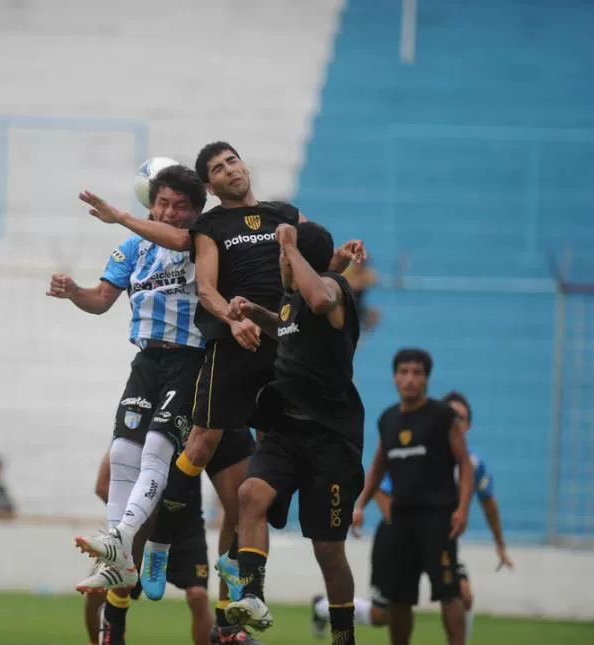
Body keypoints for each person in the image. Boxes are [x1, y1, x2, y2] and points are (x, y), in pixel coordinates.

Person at [80, 143, 362, 631]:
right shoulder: (204, 231)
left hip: (280, 345)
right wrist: (231, 317)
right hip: (223, 349)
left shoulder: (282, 215)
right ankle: (144, 559)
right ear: (207, 188)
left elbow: (311, 255)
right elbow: (199, 282)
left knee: (247, 496)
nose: (230, 169)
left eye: (232, 160)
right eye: (217, 168)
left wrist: (331, 260)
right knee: (186, 451)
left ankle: (236, 612)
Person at [48, 165, 208, 593]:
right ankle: (119, 557)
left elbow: (180, 239)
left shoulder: (200, 241)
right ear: (151, 203)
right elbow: (100, 300)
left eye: (180, 206)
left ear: (195, 211)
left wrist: (119, 215)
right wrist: (73, 291)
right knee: (123, 451)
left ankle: (123, 537)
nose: (170, 213)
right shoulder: (132, 249)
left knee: (157, 446)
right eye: (163, 203)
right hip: (147, 361)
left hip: (189, 360)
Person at [217, 223, 366, 645]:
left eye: (283, 258)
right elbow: (286, 330)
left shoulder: (332, 290)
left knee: (328, 551)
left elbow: (320, 297)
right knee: (251, 495)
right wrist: (254, 313)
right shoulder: (291, 300)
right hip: (284, 430)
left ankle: (343, 637)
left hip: (330, 440)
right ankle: (252, 595)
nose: (279, 264)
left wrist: (289, 244)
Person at [311, 391, 514, 644]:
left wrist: (500, 545)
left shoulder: (471, 463)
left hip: (438, 536)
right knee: (382, 614)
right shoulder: (411, 451)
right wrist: (397, 523)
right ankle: (321, 607)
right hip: (397, 537)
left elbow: (489, 503)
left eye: (460, 417)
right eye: (451, 415)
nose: (455, 421)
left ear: (468, 425)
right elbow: (381, 488)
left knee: (461, 593)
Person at [351, 349, 475, 645]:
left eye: (417, 373)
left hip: (438, 519)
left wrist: (463, 509)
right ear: (395, 377)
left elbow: (465, 465)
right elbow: (378, 467)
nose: (410, 379)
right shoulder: (388, 419)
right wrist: (360, 505)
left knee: (449, 592)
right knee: (398, 599)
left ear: (427, 379)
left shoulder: (442, 417)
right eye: (404, 372)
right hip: (400, 520)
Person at [84, 448, 218, 645]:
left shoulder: (191, 427)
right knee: (97, 590)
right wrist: (132, 518)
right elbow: (102, 486)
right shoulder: (134, 431)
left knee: (198, 596)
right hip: (141, 527)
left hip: (184, 526)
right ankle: (96, 642)